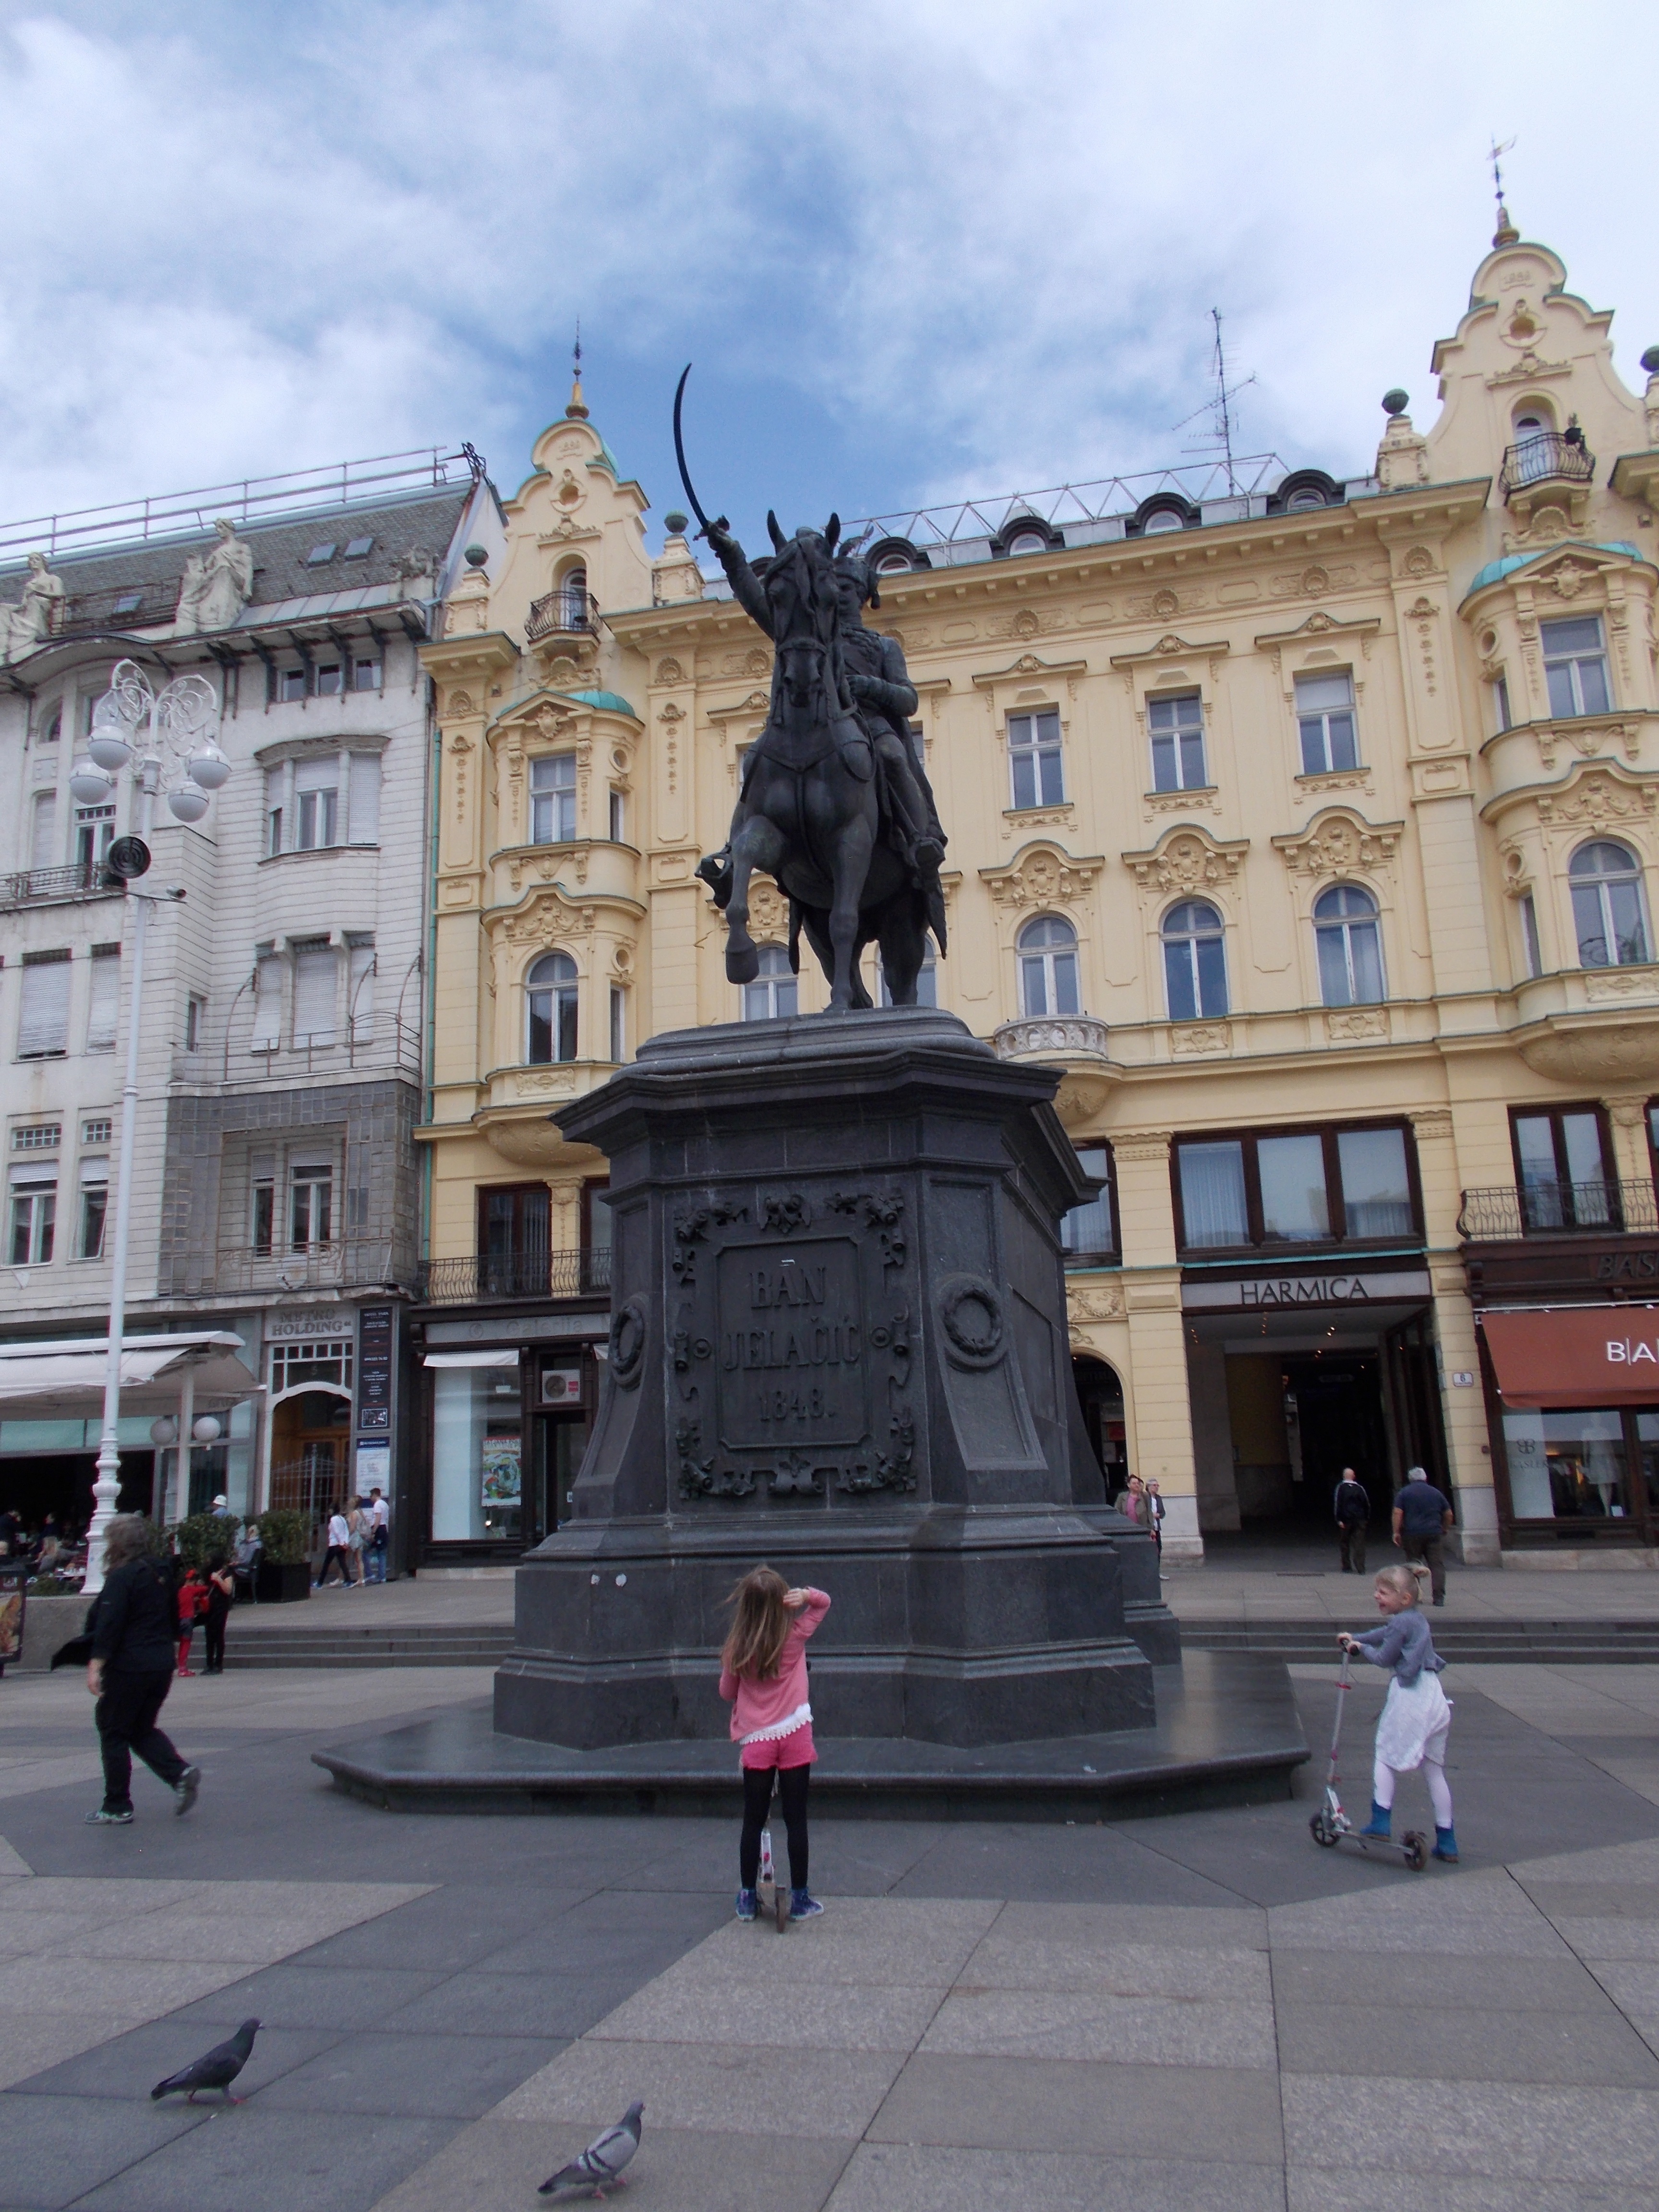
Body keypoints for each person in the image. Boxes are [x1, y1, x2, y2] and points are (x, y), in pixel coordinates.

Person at [719, 1568, 830, 1923]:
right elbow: (824, 1605)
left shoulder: (738, 1647)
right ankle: (800, 1899)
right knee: (796, 1820)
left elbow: (727, 1693)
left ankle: (748, 1898)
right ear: (785, 1603)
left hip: (758, 1741)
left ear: (746, 1607)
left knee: (753, 1820)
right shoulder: (795, 1637)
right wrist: (807, 1595)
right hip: (795, 1734)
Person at [84, 1514, 201, 1826]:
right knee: (141, 1727)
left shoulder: (123, 1576)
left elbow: (110, 1623)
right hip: (160, 1662)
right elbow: (174, 1618)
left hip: (129, 1665)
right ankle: (178, 1773)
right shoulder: (160, 1572)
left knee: (113, 1729)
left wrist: (96, 1664)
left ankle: (117, 1804)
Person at [1339, 1562, 1457, 1863]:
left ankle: (1380, 1820)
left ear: (1404, 1599)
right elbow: (1385, 1632)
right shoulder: (1415, 1619)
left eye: (1383, 1592)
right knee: (1434, 1770)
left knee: (1385, 1754)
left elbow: (1384, 1657)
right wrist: (1360, 1637)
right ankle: (1447, 1840)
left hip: (1411, 1698)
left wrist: (1357, 1649)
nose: (1377, 1597)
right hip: (1435, 1698)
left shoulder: (1402, 1623)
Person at [1393, 1465, 1455, 1606]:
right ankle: (1439, 1597)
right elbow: (1449, 1514)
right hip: (1434, 1533)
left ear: (1410, 1479)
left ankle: (1415, 1596)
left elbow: (1398, 1513)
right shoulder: (1436, 1493)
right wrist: (1444, 1528)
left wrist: (1396, 1532)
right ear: (1425, 1478)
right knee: (1437, 1565)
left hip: (1412, 1534)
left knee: (1413, 1564)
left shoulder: (1404, 1493)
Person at [1334, 1467, 1371, 1574]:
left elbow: (1338, 1504)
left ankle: (1347, 1566)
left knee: (1345, 1543)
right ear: (1354, 1476)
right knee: (1359, 1543)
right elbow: (1366, 1504)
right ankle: (1361, 1567)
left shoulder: (1341, 1488)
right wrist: (1366, 1518)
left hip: (1346, 1520)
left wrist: (1339, 1519)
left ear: (1344, 1476)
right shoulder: (1360, 1488)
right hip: (1360, 1520)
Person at [202, 1560, 234, 1674]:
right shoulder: (207, 1574)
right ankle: (209, 1663)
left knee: (219, 1635)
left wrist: (219, 1580)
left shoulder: (226, 1574)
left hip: (221, 1608)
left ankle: (218, 1664)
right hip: (209, 1609)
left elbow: (228, 1590)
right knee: (209, 1635)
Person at [176, 1566, 208, 1676]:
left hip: (180, 1619)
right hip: (188, 1620)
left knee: (182, 1643)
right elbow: (204, 1589)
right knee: (186, 1644)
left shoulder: (180, 1591)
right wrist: (200, 1584)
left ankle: (181, 1667)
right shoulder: (191, 1590)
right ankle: (183, 1669)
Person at [315, 1506, 355, 1590]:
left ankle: (320, 1583)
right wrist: (345, 1542)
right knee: (342, 1563)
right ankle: (349, 1581)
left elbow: (337, 1532)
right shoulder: (342, 1519)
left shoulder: (333, 1519)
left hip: (334, 1544)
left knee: (327, 1563)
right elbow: (346, 1531)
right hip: (342, 1544)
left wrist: (341, 1542)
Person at [364, 1488, 390, 1584]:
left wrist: (373, 1531)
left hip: (379, 1530)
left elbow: (378, 1519)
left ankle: (372, 1574)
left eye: (371, 1496)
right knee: (381, 1553)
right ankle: (381, 1576)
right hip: (384, 1529)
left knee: (366, 1550)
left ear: (375, 1495)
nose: (371, 1499)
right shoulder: (385, 1504)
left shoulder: (378, 1505)